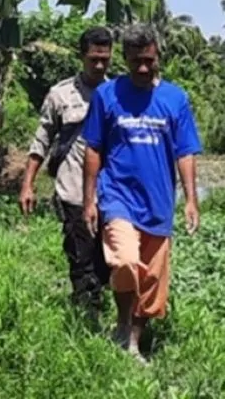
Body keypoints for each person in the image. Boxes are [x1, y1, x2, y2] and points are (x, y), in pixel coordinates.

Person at [81, 24, 202, 363]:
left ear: (158, 56)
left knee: (151, 280)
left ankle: (132, 342)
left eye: (149, 60)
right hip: (117, 195)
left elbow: (185, 152)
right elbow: (93, 149)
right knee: (124, 260)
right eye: (136, 62)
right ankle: (121, 322)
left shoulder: (175, 99)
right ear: (125, 59)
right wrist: (90, 200)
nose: (143, 68)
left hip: (159, 203)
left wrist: (191, 200)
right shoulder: (108, 96)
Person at [19, 26, 115, 319]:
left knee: (107, 260)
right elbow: (42, 141)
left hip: (110, 194)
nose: (99, 65)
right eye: (93, 59)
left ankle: (100, 306)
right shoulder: (60, 95)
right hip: (73, 191)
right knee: (81, 257)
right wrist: (28, 185)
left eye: (105, 59)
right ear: (81, 56)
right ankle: (87, 321)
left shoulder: (118, 94)